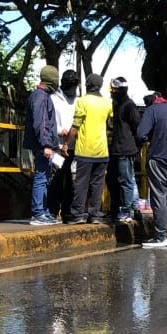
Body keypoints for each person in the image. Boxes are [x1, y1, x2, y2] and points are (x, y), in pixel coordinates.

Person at [135, 91, 167, 247]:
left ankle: (160, 236)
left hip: (157, 158)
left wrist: (151, 138)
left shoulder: (152, 110)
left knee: (159, 196)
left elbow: (140, 134)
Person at [67, 73, 112, 223]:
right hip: (102, 150)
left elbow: (76, 125)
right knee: (97, 184)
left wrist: (66, 143)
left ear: (88, 85)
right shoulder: (107, 103)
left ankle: (78, 214)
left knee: (81, 183)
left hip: (85, 150)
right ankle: (95, 215)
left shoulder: (82, 101)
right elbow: (110, 124)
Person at [22, 65, 60, 225]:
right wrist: (46, 145)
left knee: (43, 178)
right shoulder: (41, 97)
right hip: (42, 145)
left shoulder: (38, 96)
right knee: (41, 178)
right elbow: (42, 122)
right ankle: (38, 213)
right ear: (52, 80)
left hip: (41, 144)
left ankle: (43, 211)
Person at [106, 76, 142, 223]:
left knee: (126, 181)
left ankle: (126, 211)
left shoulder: (129, 106)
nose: (111, 92)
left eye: (113, 90)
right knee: (122, 180)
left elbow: (138, 128)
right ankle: (131, 208)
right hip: (118, 149)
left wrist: (135, 146)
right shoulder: (118, 105)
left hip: (125, 150)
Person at [47, 69, 79, 222]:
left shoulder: (78, 100)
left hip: (73, 146)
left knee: (69, 180)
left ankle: (67, 211)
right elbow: (49, 122)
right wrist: (60, 131)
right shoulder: (53, 99)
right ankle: (52, 211)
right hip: (58, 147)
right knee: (56, 178)